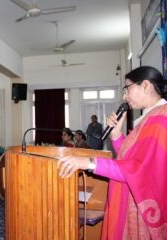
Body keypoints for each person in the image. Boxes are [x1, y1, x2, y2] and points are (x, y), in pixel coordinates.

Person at [58, 66, 167, 239]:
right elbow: (132, 159)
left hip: (141, 209)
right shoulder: (150, 118)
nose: (125, 96)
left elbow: (138, 170)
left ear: (145, 85)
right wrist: (116, 136)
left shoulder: (161, 120)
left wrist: (89, 162)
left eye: (127, 88)